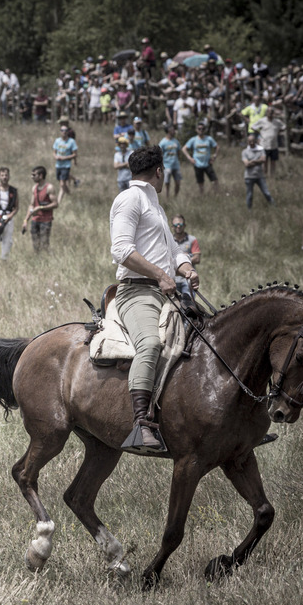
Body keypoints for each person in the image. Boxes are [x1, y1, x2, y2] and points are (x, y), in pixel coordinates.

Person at [108, 146, 198, 453]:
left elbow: (173, 250)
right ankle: (140, 426)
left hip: (163, 292)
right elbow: (120, 250)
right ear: (159, 171)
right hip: (136, 291)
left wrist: (186, 267)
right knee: (150, 344)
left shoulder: (155, 205)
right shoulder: (129, 199)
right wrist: (161, 275)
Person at [24, 165, 57, 252]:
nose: (32, 177)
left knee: (44, 244)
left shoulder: (49, 188)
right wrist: (26, 220)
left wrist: (40, 208)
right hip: (35, 220)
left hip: (45, 220)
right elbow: (31, 205)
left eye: (34, 175)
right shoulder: (34, 188)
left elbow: (55, 204)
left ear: (41, 176)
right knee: (35, 245)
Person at [182, 122, 219, 195]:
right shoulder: (193, 139)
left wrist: (214, 156)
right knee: (200, 182)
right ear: (196, 130)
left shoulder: (209, 139)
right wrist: (190, 158)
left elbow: (217, 147)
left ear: (205, 130)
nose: (201, 130)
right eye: (199, 129)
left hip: (207, 163)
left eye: (202, 129)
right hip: (197, 164)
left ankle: (216, 194)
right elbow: (184, 149)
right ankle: (202, 195)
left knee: (214, 180)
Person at [170, 214, 200, 301]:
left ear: (184, 225)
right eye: (175, 225)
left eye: (180, 224)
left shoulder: (192, 240)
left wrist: (184, 259)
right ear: (172, 227)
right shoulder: (169, 240)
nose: (178, 226)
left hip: (187, 280)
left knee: (189, 305)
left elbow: (197, 258)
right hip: (173, 280)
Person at [242, 133, 274, 209]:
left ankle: (273, 206)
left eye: (253, 141)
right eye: (250, 141)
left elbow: (263, 159)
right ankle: (249, 209)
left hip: (260, 176)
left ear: (256, 141)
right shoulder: (245, 152)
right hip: (249, 176)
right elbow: (246, 164)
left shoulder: (261, 150)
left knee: (266, 193)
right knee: (249, 195)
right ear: (247, 142)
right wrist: (258, 161)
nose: (252, 143)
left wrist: (251, 161)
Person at [252, 106, 284, 179]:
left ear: (273, 113)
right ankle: (264, 176)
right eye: (268, 112)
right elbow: (253, 127)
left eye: (271, 112)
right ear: (266, 113)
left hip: (274, 145)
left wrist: (277, 132)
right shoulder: (262, 121)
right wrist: (260, 133)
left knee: (273, 162)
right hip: (264, 145)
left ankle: (272, 177)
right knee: (264, 162)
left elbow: (284, 127)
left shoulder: (277, 121)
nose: (270, 113)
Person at [53, 123, 78, 202]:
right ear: (60, 131)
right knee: (61, 182)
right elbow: (54, 152)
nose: (64, 132)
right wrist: (56, 156)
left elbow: (75, 154)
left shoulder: (71, 142)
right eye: (62, 130)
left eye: (65, 130)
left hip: (66, 165)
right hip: (58, 165)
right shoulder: (57, 141)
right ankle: (70, 194)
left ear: (68, 132)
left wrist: (65, 158)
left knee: (62, 184)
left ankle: (58, 201)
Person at [158, 125, 182, 197]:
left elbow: (178, 152)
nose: (174, 131)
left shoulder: (176, 141)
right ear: (168, 131)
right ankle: (167, 197)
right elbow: (160, 154)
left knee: (178, 183)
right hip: (167, 165)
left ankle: (175, 196)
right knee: (167, 183)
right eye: (172, 130)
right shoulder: (163, 142)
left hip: (176, 165)